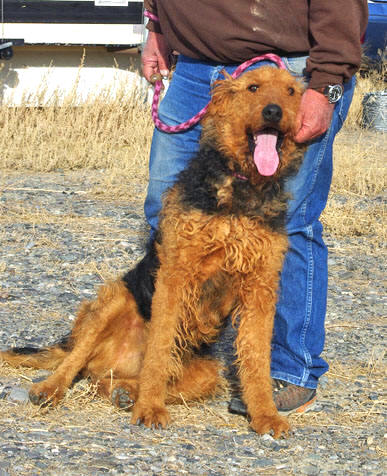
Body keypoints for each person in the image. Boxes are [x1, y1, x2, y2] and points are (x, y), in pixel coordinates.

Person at [140, 1, 368, 414]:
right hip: (194, 67)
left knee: (291, 223)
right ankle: (177, 351)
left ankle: (290, 370)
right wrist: (156, 28)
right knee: (164, 211)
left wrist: (327, 83)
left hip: (291, 68)